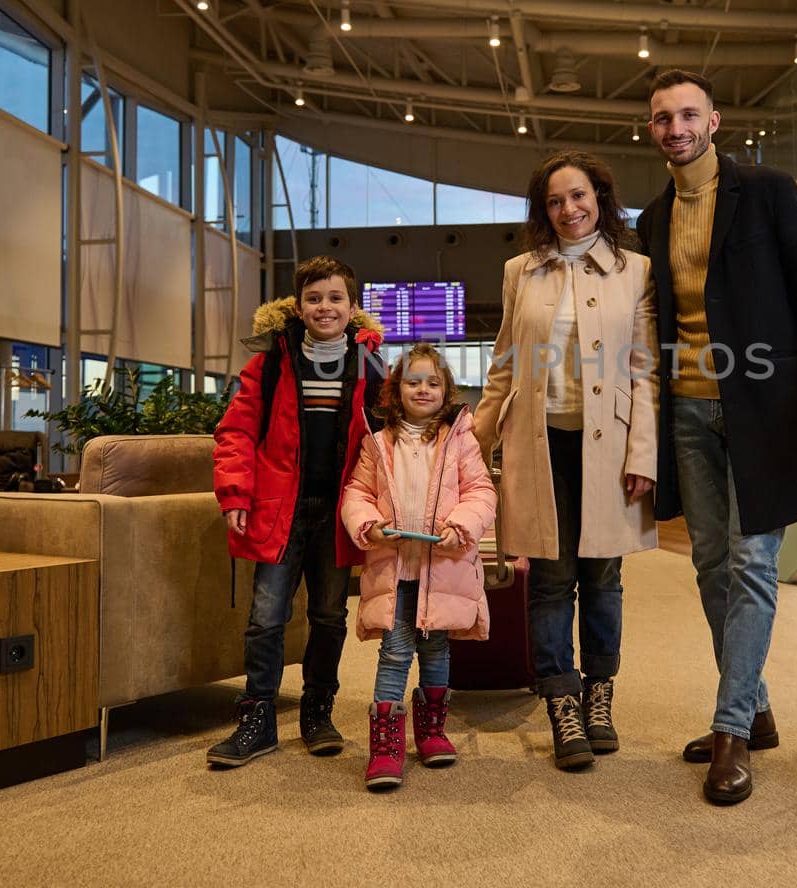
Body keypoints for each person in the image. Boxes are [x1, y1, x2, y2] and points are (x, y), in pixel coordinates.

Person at [634, 69, 797, 805]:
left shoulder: (767, 192)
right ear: (652, 130)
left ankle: (732, 730)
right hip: (689, 409)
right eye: (662, 118)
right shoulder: (651, 218)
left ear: (715, 120)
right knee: (709, 563)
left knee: (751, 561)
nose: (675, 128)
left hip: (763, 408)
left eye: (687, 115)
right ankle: (756, 708)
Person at [473, 150, 658, 771]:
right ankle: (562, 701)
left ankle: (599, 693)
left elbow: (645, 371)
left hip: (609, 448)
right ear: (542, 210)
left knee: (604, 576)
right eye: (554, 201)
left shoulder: (637, 270)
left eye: (578, 196)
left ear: (600, 198)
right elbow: (504, 364)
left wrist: (645, 453)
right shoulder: (520, 271)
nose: (568, 210)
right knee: (550, 580)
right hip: (541, 441)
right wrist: (473, 442)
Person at [208, 256, 385, 767]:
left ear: (352, 308)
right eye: (314, 298)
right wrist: (235, 495)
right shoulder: (269, 361)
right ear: (298, 305)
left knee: (329, 615)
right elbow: (235, 433)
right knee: (266, 618)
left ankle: (317, 711)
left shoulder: (371, 363)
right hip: (279, 510)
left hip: (340, 511)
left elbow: (385, 438)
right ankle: (258, 718)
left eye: (335, 298)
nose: (324, 307)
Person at [341, 344, 496, 791]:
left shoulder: (459, 438)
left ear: (446, 389)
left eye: (432, 382)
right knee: (394, 652)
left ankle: (431, 730)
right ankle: (385, 746)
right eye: (413, 381)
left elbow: (481, 492)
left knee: (436, 650)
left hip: (442, 569)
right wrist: (368, 525)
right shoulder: (378, 441)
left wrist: (460, 525)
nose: (423, 389)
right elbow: (356, 493)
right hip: (396, 571)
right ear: (396, 390)